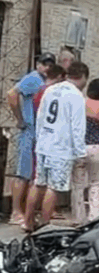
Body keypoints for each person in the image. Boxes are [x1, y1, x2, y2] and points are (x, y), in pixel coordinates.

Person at [25, 61, 89, 232]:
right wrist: (80, 153)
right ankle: (45, 226)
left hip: (44, 144)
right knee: (53, 188)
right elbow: (77, 127)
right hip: (61, 148)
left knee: (38, 183)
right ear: (83, 77)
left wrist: (39, 139)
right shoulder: (76, 96)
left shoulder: (51, 90)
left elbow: (40, 117)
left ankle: (28, 221)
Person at [6, 52, 55, 225]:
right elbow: (12, 94)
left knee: (31, 173)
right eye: (44, 63)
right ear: (38, 63)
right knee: (23, 173)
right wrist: (20, 119)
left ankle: (23, 211)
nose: (46, 67)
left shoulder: (41, 81)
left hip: (36, 132)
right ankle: (15, 211)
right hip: (29, 131)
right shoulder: (33, 78)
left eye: (50, 64)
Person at [72, 79, 99, 224]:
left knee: (78, 184)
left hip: (80, 147)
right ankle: (94, 218)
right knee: (96, 184)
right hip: (97, 147)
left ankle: (79, 218)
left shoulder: (80, 102)